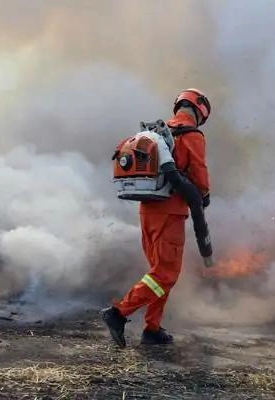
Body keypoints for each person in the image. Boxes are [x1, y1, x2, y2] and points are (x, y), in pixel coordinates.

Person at [101, 88, 212, 347]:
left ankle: (152, 328)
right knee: (165, 272)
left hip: (148, 209)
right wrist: (202, 195)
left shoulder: (157, 133)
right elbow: (199, 172)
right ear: (201, 111)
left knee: (159, 272)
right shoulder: (192, 135)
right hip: (170, 212)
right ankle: (118, 313)